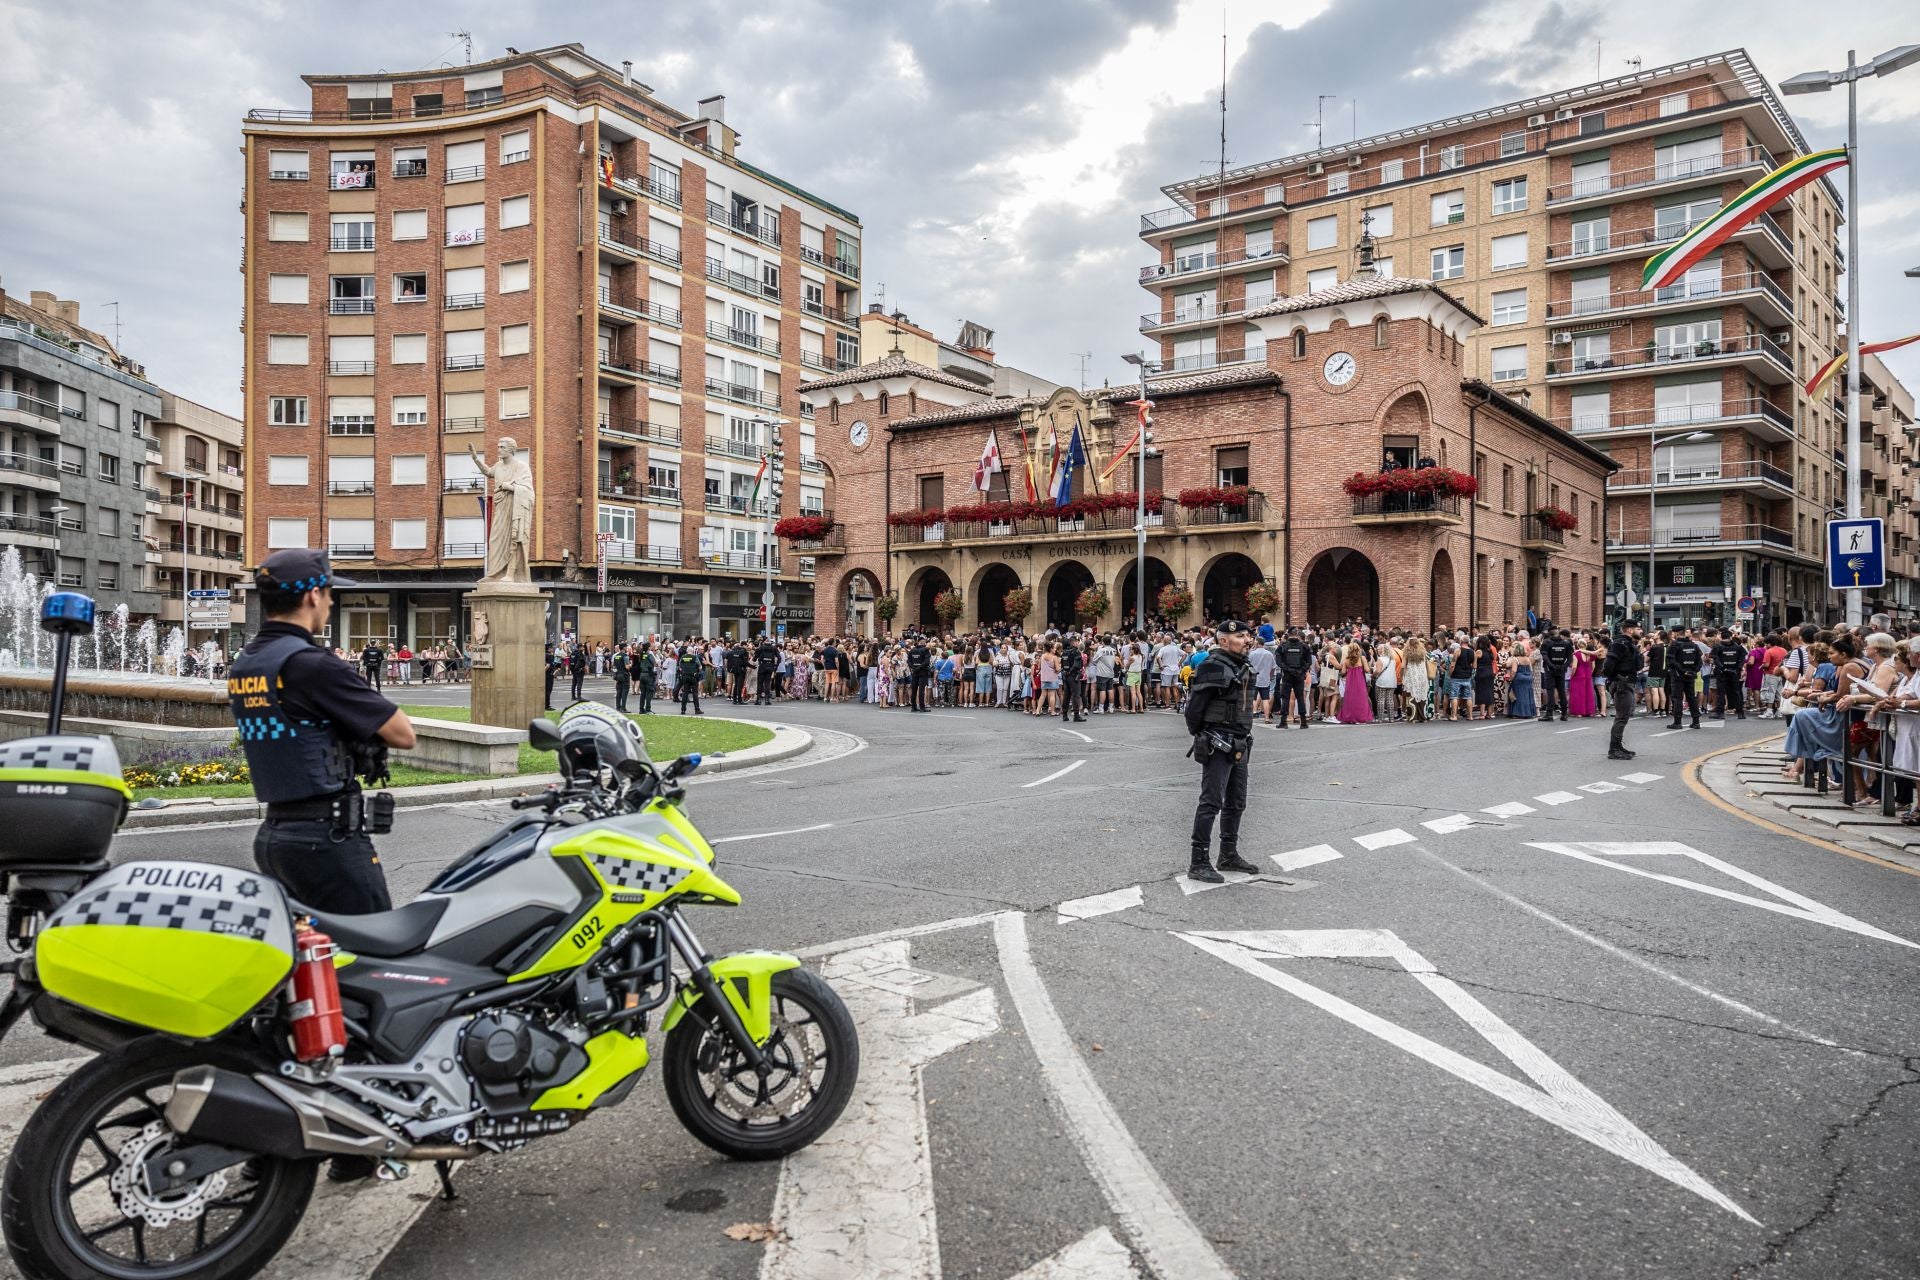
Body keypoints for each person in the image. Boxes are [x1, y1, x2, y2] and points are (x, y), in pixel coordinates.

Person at [228, 550, 416, 917]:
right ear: (313, 596)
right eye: (329, 594)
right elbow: (402, 732)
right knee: (372, 950)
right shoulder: (312, 664)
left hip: (275, 834)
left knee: (313, 958)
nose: (330, 603)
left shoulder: (247, 663)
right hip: (327, 839)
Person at [1183, 620, 1263, 885]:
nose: (1246, 640)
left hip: (1239, 740)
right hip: (1218, 741)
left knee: (1237, 800)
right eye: (1240, 636)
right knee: (1211, 801)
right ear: (1223, 640)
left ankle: (1228, 854)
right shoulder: (1212, 666)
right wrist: (1203, 734)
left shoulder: (1242, 665)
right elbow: (1194, 709)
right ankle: (1199, 861)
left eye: (1247, 635)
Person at [1601, 619, 1644, 760]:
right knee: (1621, 717)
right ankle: (1613, 749)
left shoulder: (1630, 644)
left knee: (1624, 716)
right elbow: (1607, 667)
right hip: (1622, 684)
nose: (1641, 631)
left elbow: (1638, 666)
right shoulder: (1619, 644)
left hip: (1627, 683)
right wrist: (1618, 679)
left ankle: (1618, 746)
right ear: (1630, 630)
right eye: (1638, 629)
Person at [1666, 626, 1704, 729]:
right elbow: (1700, 661)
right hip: (1690, 675)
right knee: (1691, 697)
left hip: (1678, 675)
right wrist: (1693, 671)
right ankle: (1696, 722)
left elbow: (1671, 661)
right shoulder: (1693, 645)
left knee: (1677, 698)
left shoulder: (1674, 645)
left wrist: (1684, 671)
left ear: (1677, 634)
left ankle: (1677, 722)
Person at [1275, 628, 1313, 729]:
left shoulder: (1283, 646)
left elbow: (1278, 661)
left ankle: (1284, 721)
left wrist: (1288, 669)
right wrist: (1301, 670)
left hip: (1287, 675)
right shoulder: (1304, 646)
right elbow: (1309, 662)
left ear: (1288, 634)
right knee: (1300, 697)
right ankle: (1303, 722)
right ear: (1297, 634)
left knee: (1285, 698)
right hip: (1299, 675)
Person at [1709, 628, 1748, 719]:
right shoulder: (1738, 647)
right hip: (1734, 672)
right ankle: (1740, 713)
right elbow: (1743, 657)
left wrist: (1722, 667)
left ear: (1721, 637)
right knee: (1737, 692)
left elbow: (1714, 658)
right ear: (1730, 637)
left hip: (1722, 673)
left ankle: (1720, 713)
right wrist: (1738, 668)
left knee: (1721, 692)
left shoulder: (1718, 646)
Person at [1538, 628, 1573, 722]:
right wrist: (1564, 667)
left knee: (1550, 691)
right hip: (1561, 669)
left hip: (1550, 670)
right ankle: (1564, 714)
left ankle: (1549, 714)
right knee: (1561, 691)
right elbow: (1570, 658)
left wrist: (1551, 665)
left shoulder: (1547, 643)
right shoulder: (1566, 643)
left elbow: (1545, 656)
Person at [1060, 636, 1086, 723]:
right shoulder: (1076, 651)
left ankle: (1064, 714)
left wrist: (1066, 672)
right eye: (1077, 642)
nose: (1078, 643)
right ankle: (1076, 715)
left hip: (1066, 676)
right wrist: (1070, 672)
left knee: (1067, 695)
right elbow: (1077, 664)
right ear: (1074, 642)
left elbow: (1062, 664)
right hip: (1073, 675)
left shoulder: (1065, 651)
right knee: (1076, 695)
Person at [675, 642, 705, 715]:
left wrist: (684, 671)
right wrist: (697, 671)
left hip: (685, 676)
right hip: (693, 676)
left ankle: (683, 710)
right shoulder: (694, 657)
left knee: (685, 692)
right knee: (695, 693)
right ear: (692, 651)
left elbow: (679, 667)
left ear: (687, 651)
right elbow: (700, 667)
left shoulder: (683, 657)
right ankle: (697, 709)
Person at [907, 634, 933, 712]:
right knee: (921, 689)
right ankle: (922, 707)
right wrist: (919, 667)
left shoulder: (912, 650)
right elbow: (926, 661)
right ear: (924, 642)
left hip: (915, 672)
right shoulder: (925, 650)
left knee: (914, 689)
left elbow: (909, 661)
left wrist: (913, 667)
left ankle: (913, 706)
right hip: (922, 671)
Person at [754, 633, 780, 705]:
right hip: (770, 666)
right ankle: (767, 700)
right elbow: (779, 657)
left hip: (762, 665)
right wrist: (775, 666)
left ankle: (758, 700)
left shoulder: (761, 647)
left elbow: (755, 656)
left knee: (760, 683)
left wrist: (755, 660)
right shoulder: (773, 648)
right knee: (767, 683)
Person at [634, 644, 656, 715]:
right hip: (648, 675)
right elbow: (654, 663)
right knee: (649, 693)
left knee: (643, 693)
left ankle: (641, 709)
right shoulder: (649, 655)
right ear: (648, 647)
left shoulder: (641, 655)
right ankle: (648, 709)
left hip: (642, 674)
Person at [612, 644, 632, 713]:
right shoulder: (625, 656)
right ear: (624, 648)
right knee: (624, 692)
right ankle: (623, 708)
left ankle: (618, 707)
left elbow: (614, 666)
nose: (627, 648)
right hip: (624, 675)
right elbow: (627, 667)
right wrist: (631, 664)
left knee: (618, 692)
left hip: (618, 675)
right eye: (626, 647)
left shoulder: (616, 656)